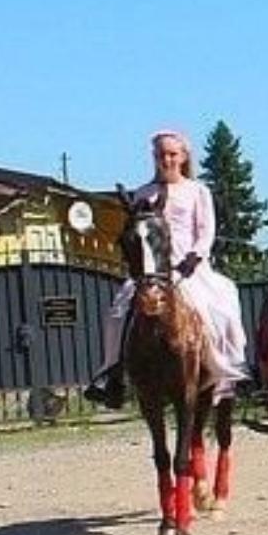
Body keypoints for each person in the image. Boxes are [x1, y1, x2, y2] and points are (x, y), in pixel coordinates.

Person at [85, 129, 249, 408]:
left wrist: (196, 256)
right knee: (116, 313)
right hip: (151, 272)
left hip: (189, 269)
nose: (166, 159)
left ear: (183, 157)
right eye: (161, 154)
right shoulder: (143, 193)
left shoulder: (198, 191)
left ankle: (236, 370)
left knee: (223, 308)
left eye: (172, 154)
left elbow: (206, 229)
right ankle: (111, 375)